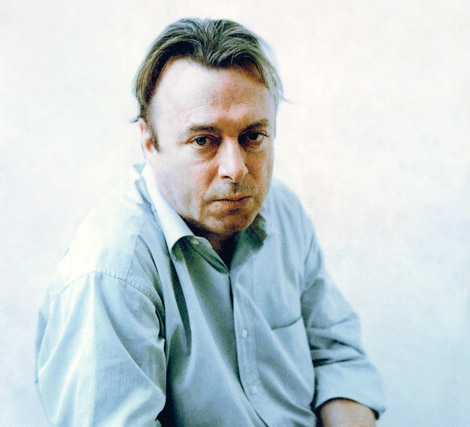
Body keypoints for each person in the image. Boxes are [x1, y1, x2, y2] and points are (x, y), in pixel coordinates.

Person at [35, 18, 385, 426]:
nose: (236, 169)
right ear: (149, 142)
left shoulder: (283, 211)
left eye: (252, 136)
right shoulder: (112, 271)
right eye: (204, 140)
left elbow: (338, 358)